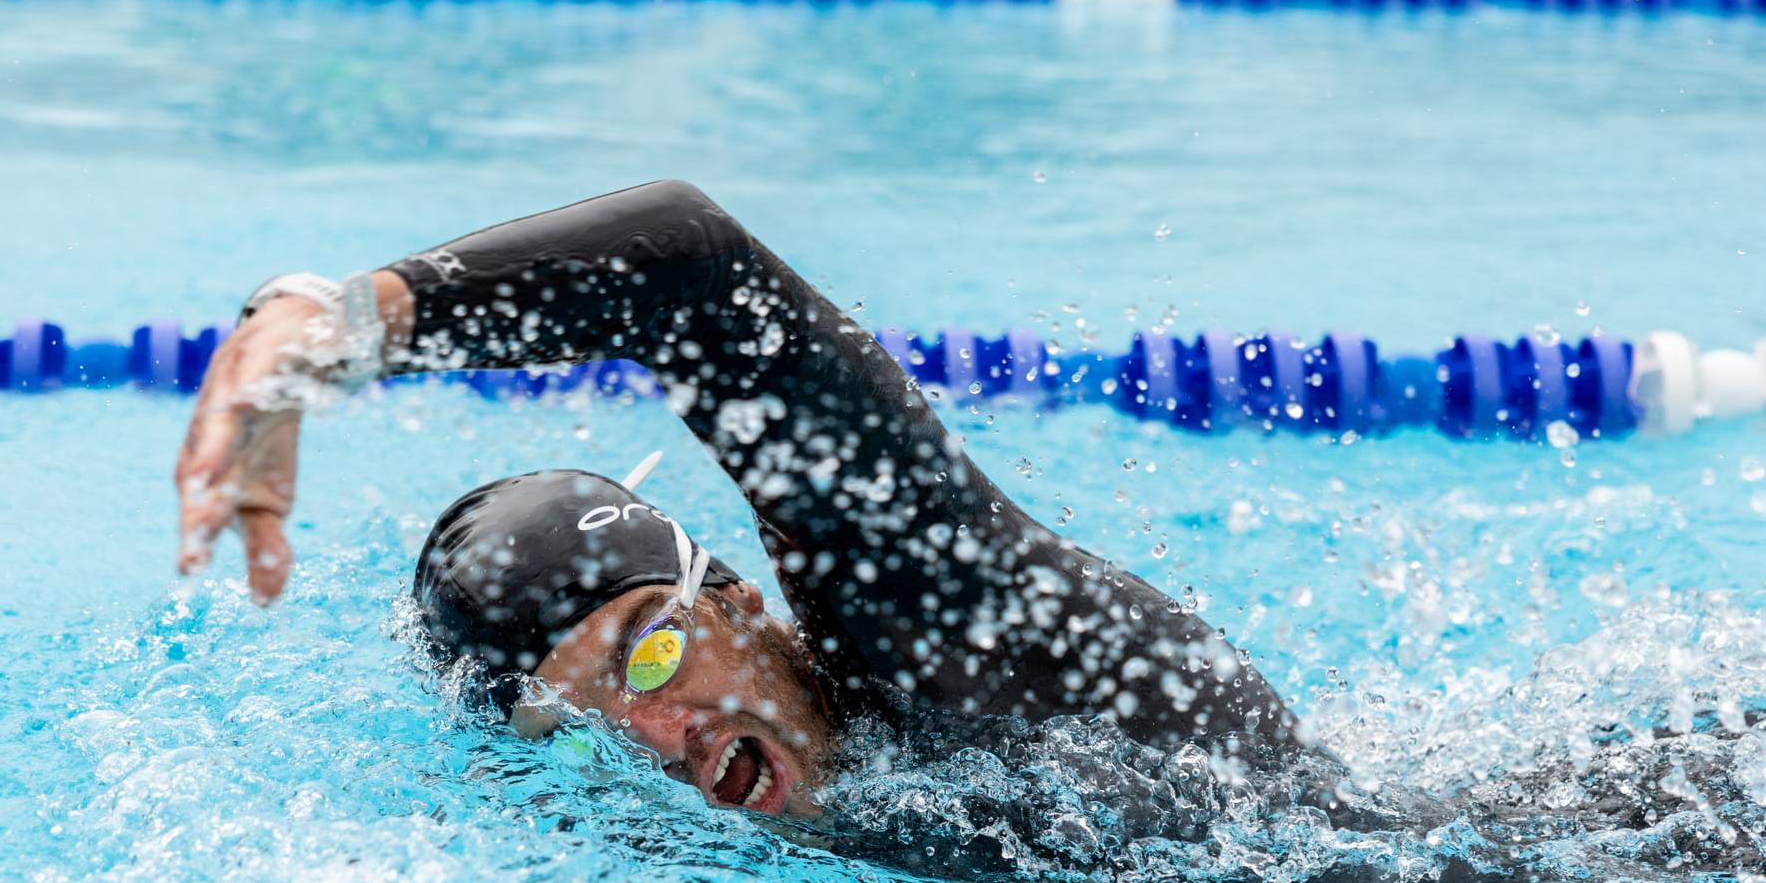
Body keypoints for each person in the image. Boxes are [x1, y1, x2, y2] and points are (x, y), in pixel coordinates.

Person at [176, 181, 1304, 821]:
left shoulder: (940, 630)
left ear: (732, 601)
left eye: (648, 655)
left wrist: (332, 328)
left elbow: (690, 271)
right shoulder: (736, 831)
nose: (655, 737)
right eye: (575, 732)